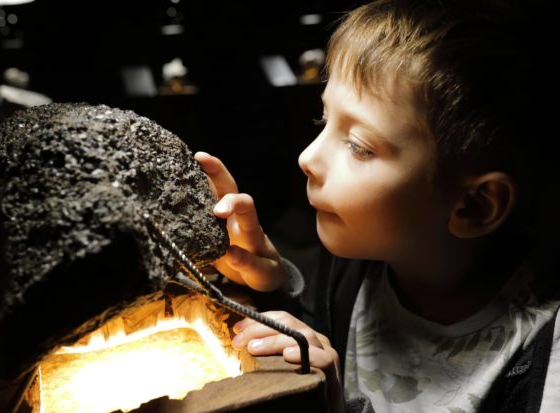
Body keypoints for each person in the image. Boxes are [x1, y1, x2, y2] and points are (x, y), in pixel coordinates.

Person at [195, 0, 560, 411]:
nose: (307, 158)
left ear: (473, 206)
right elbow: (318, 339)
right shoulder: (358, 262)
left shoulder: (540, 366)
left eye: (359, 146)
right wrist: (270, 292)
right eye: (324, 119)